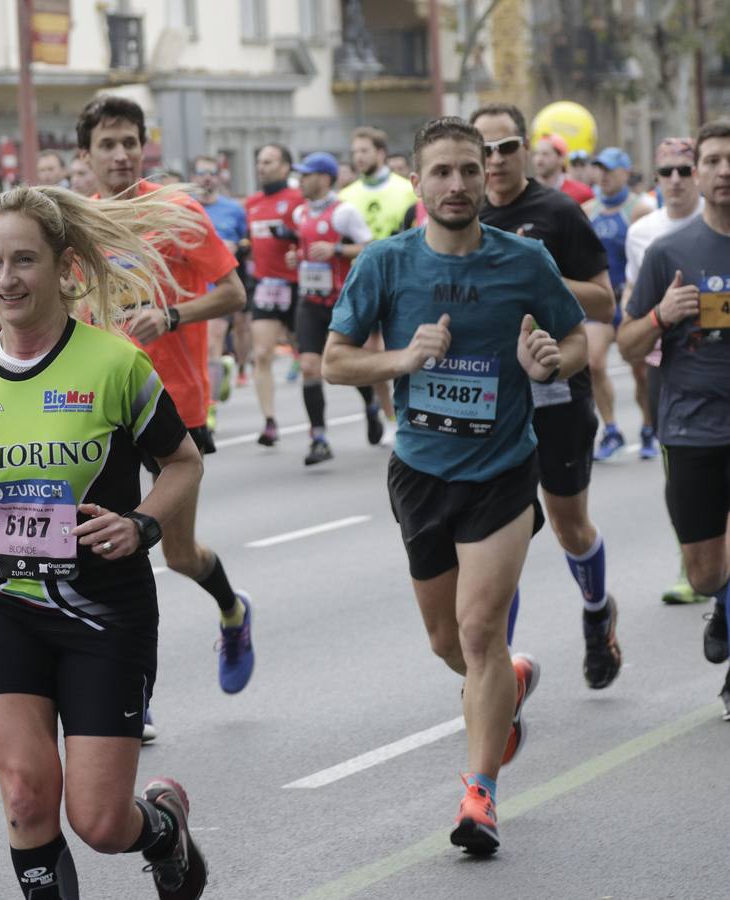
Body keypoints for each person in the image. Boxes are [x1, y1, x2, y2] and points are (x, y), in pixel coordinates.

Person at [0, 183, 209, 899]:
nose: (5, 280)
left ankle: (161, 826)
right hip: (4, 603)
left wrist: (141, 525)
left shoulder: (115, 365)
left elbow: (182, 462)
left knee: (100, 822)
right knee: (26, 799)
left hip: (105, 610)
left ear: (64, 266)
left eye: (23, 261)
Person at [325, 116, 587, 854]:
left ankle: (480, 795)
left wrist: (548, 364)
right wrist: (403, 360)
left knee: (478, 631)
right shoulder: (384, 262)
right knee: (448, 642)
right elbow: (335, 361)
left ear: (486, 176)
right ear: (417, 179)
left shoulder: (525, 260)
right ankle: (507, 685)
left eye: (469, 170)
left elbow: (570, 336)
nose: (457, 185)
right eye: (441, 171)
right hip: (420, 472)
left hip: (502, 469)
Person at [77, 95, 254, 710]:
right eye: (108, 144)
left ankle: (232, 610)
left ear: (144, 145)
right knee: (112, 550)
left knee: (178, 555)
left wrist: (173, 314)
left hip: (174, 405)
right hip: (101, 406)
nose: (121, 154)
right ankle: (132, 694)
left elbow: (233, 293)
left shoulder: (178, 211)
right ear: (87, 155)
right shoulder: (82, 222)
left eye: (130, 141)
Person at [471, 104, 622, 691]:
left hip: (558, 390)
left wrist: (534, 274)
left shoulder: (557, 212)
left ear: (527, 147)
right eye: (485, 150)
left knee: (567, 523)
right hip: (490, 401)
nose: (497, 160)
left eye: (507, 146)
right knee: (498, 538)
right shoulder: (462, 214)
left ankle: (596, 612)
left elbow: (605, 302)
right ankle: (492, 669)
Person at [619, 120, 730, 718]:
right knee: (706, 568)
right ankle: (722, 604)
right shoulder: (669, 253)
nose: (722, 171)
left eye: (728, 160)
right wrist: (660, 315)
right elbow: (628, 346)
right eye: (711, 160)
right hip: (692, 427)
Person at [283, 151, 379, 465]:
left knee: (350, 366)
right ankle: (319, 438)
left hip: (341, 302)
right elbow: (303, 247)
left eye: (307, 175)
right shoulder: (300, 214)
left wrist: (337, 249)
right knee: (310, 367)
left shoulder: (344, 212)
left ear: (324, 178)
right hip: (309, 301)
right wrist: (297, 257)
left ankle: (371, 404)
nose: (301, 181)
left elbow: (370, 246)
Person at [342, 126, 419, 435]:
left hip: (405, 280)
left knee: (407, 349)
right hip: (366, 283)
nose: (358, 157)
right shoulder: (346, 196)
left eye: (364, 150)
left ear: (380, 153)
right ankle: (389, 418)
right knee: (372, 355)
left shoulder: (405, 189)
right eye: (355, 152)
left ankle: (411, 410)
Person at [583, 147, 654, 461]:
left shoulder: (639, 209)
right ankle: (611, 429)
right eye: (599, 169)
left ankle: (649, 427)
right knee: (594, 363)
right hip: (602, 301)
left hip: (630, 299)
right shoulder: (588, 210)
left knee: (640, 371)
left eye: (610, 169)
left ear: (626, 172)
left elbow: (647, 260)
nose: (604, 176)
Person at [244, 143, 305, 445]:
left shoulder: (297, 199)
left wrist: (296, 242)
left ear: (285, 166)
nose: (261, 167)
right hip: (265, 286)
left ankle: (369, 405)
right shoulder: (252, 203)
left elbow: (313, 233)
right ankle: (269, 421)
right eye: (259, 161)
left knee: (309, 359)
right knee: (263, 354)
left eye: (268, 161)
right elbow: (248, 241)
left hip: (298, 287)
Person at [191, 154, 249, 426]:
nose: (206, 178)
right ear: (192, 178)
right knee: (196, 353)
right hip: (188, 290)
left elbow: (248, 242)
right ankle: (221, 371)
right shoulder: (184, 208)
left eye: (211, 173)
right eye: (201, 173)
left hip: (218, 288)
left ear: (219, 177)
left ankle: (209, 409)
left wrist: (237, 249)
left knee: (213, 344)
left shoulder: (234, 210)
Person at [532, 133, 594, 204]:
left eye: (545, 154)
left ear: (561, 158)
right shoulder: (525, 192)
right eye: (536, 154)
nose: (538, 159)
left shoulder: (583, 193)